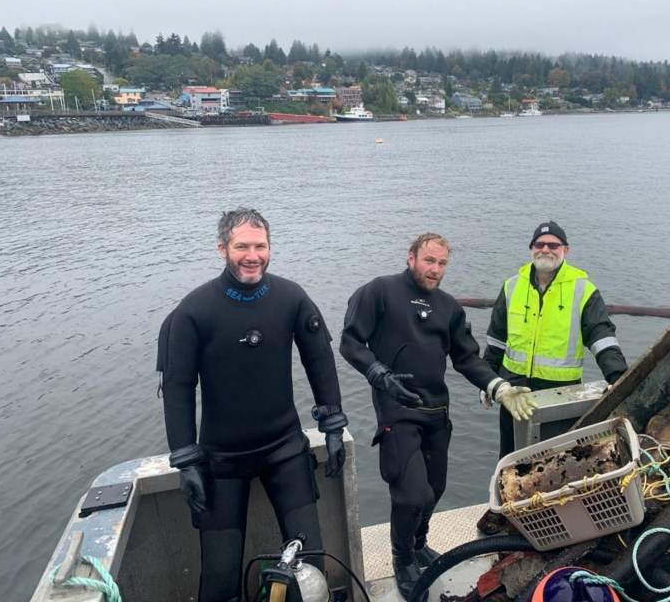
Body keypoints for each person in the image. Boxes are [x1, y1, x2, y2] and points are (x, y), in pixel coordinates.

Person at [157, 207, 348, 602]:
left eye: (260, 245)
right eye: (241, 246)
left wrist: (332, 425)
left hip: (284, 451)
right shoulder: (192, 311)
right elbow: (178, 387)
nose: (252, 255)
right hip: (221, 460)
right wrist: (187, 461)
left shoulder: (291, 297)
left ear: (270, 247)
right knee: (221, 579)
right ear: (222, 248)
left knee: (309, 566)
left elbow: (320, 361)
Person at [339, 232, 537, 600]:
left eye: (442, 263)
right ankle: (402, 561)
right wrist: (378, 373)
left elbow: (465, 358)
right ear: (411, 257)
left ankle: (418, 544)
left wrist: (499, 387)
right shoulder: (379, 292)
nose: (435, 270)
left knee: (435, 490)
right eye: (428, 261)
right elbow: (350, 341)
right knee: (411, 493)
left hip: (436, 412)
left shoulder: (448, 307)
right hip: (397, 411)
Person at [476, 220, 629, 535]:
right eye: (540, 245)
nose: (545, 250)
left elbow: (602, 338)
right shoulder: (511, 287)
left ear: (565, 251)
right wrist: (488, 382)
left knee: (554, 462)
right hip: (513, 391)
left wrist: (619, 378)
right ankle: (505, 514)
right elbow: (495, 342)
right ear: (532, 249)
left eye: (553, 245)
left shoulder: (582, 290)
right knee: (510, 457)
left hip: (558, 394)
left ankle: (551, 521)